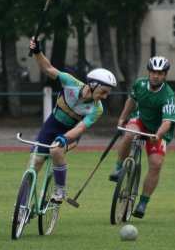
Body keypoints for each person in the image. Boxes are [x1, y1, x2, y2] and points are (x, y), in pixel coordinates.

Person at [28, 37, 117, 202]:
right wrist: (37, 52)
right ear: (93, 84)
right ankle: (21, 207)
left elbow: (80, 129)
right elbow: (47, 68)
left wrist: (64, 137)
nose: (104, 97)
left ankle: (60, 190)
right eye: (104, 92)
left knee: (55, 150)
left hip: (70, 133)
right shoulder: (70, 82)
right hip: (51, 125)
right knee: (34, 164)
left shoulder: (97, 109)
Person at [109, 56, 175, 218]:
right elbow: (131, 100)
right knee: (129, 133)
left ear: (165, 75)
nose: (156, 76)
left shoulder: (168, 95)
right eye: (153, 72)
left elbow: (167, 122)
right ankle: (119, 168)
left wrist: (158, 135)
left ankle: (142, 203)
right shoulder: (139, 84)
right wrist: (122, 118)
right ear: (149, 72)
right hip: (140, 121)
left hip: (159, 130)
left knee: (156, 164)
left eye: (160, 73)